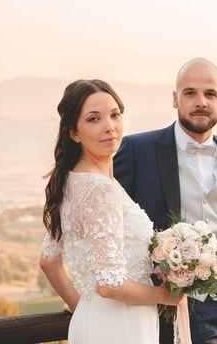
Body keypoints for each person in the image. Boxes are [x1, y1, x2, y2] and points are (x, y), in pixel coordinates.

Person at [114, 58, 217, 344]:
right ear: (175, 99)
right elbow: (110, 222)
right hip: (178, 302)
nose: (201, 101)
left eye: (210, 94)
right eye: (190, 93)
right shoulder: (138, 150)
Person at [39, 79, 184, 344]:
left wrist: (82, 307)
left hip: (91, 324)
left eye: (115, 115)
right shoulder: (99, 190)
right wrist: (166, 296)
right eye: (94, 119)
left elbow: (49, 261)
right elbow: (109, 285)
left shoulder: (72, 182)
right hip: (123, 327)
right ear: (74, 132)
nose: (109, 127)